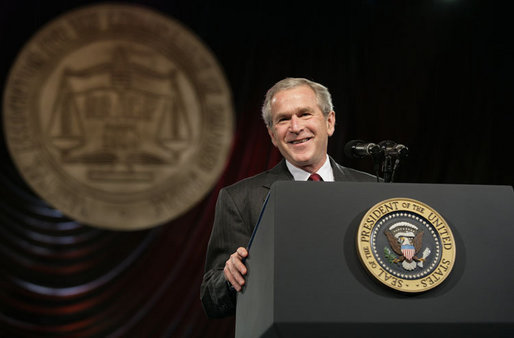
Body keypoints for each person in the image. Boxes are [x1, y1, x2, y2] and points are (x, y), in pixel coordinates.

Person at [200, 77, 376, 318]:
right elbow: (211, 298)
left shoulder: (372, 188)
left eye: (305, 114)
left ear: (330, 121)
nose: (295, 127)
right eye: (283, 119)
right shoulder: (238, 198)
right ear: (273, 135)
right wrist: (230, 280)